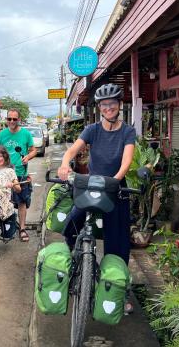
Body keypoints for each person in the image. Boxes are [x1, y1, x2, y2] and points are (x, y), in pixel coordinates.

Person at [57, 83, 136, 313]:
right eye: (104, 105)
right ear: (100, 108)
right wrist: (64, 164)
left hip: (115, 188)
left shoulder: (127, 131)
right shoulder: (92, 129)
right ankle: (78, 264)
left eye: (112, 104)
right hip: (92, 185)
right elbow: (73, 151)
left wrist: (114, 181)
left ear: (119, 105)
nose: (108, 108)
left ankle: (118, 290)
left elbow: (126, 162)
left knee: (118, 242)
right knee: (71, 224)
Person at [0, 108, 37, 242]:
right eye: (9, 119)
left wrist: (28, 157)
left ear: (19, 120)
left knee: (21, 202)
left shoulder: (26, 134)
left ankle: (22, 229)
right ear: (6, 120)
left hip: (19, 173)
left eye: (14, 119)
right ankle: (7, 228)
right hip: (3, 173)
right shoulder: (3, 134)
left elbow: (33, 150)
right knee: (1, 200)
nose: (12, 121)